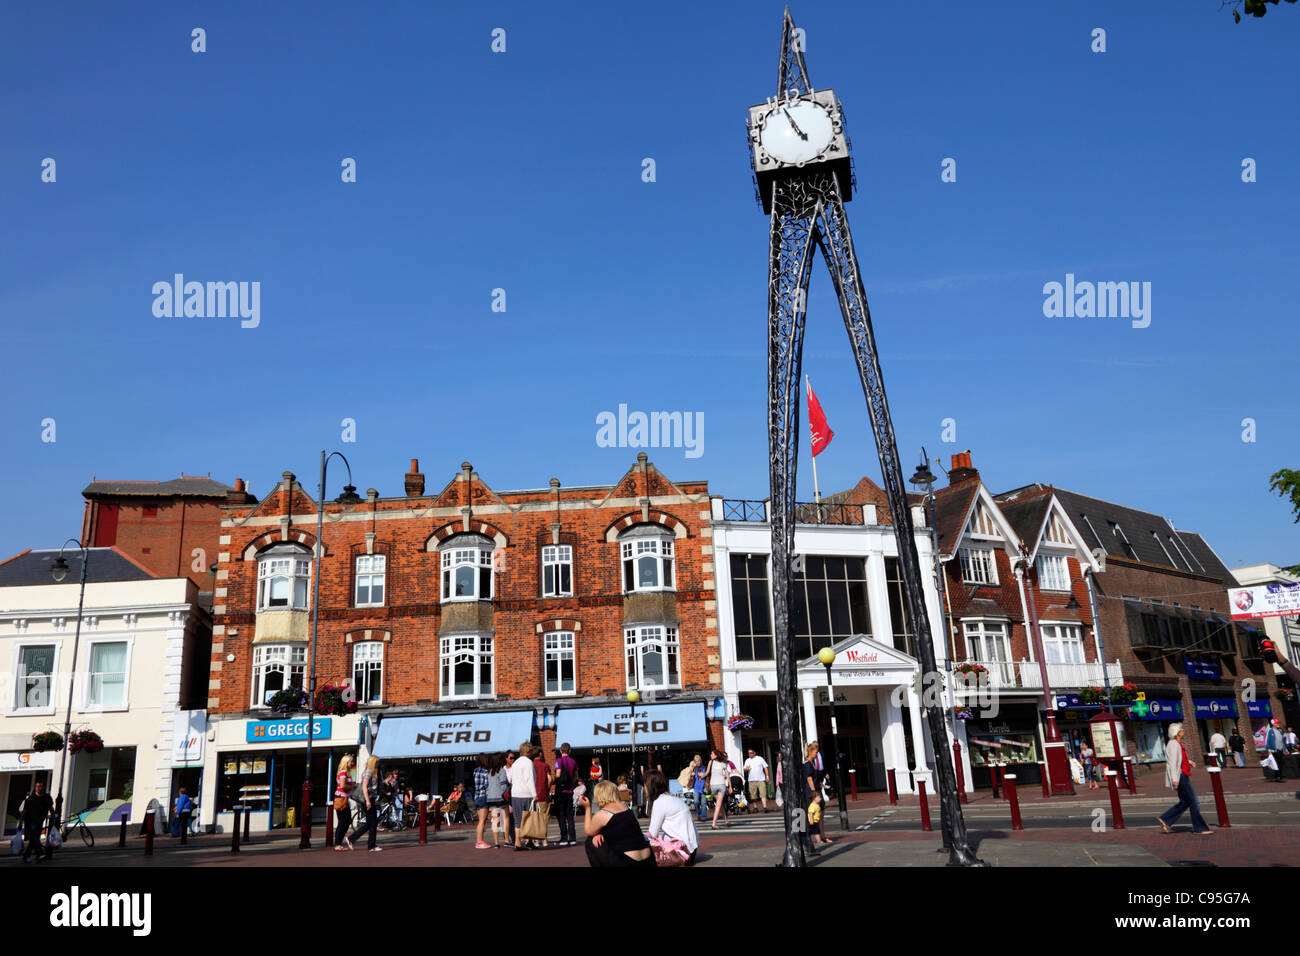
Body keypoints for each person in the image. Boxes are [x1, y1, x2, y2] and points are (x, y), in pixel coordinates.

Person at [580, 779, 654, 868]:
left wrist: (587, 808)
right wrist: (600, 833)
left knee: (590, 842)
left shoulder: (603, 814)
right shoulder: (625, 806)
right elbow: (619, 830)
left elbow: (588, 831)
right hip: (648, 859)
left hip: (628, 861)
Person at [1156, 723, 1212, 835]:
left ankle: (1166, 819)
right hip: (1180, 776)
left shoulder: (1177, 744)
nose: (1183, 731)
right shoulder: (1173, 744)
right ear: (1177, 732)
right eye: (1181, 729)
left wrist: (1189, 762)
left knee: (1185, 802)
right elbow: (1172, 763)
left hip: (1183, 774)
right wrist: (1175, 779)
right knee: (1194, 802)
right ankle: (1200, 828)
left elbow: (1180, 759)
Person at [646, 769, 700, 865]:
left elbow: (652, 833)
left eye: (645, 785)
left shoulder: (659, 802)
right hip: (690, 850)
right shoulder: (672, 798)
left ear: (650, 787)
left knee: (644, 845)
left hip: (680, 852)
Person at [348, 755, 383, 852]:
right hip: (367, 799)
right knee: (373, 823)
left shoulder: (374, 772)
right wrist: (367, 800)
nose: (378, 764)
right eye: (377, 762)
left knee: (370, 823)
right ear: (373, 762)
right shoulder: (368, 771)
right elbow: (364, 786)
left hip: (371, 799)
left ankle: (352, 839)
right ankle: (371, 846)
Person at [509, 741, 538, 850]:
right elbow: (530, 779)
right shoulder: (528, 762)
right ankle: (528, 840)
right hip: (526, 794)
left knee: (518, 819)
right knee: (528, 819)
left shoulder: (515, 763)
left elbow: (510, 779)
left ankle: (517, 842)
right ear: (529, 751)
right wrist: (534, 794)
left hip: (515, 794)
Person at [19, 779, 54, 863]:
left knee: (34, 840)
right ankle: (40, 853)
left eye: (40, 786)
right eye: (37, 786)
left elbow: (50, 807)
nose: (38, 788)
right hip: (30, 821)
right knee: (34, 836)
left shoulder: (47, 797)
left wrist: (54, 815)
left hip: (40, 821)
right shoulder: (31, 799)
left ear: (44, 787)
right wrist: (20, 822)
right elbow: (24, 811)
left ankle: (26, 856)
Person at [553, 743, 580, 847]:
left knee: (561, 815)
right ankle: (572, 838)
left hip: (561, 792)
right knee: (569, 815)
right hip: (569, 792)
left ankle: (564, 838)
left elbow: (558, 774)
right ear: (569, 751)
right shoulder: (573, 762)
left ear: (560, 750)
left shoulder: (558, 761)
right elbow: (576, 777)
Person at [334, 754, 357, 851]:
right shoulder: (343, 772)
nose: (352, 763)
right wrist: (353, 786)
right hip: (341, 799)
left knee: (345, 822)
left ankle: (338, 843)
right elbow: (343, 786)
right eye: (351, 761)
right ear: (346, 762)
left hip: (344, 799)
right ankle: (337, 844)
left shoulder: (345, 772)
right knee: (343, 822)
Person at [531, 745, 553, 848]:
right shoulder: (545, 765)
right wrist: (547, 789)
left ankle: (536, 839)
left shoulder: (530, 765)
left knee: (534, 817)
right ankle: (544, 839)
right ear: (540, 754)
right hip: (543, 794)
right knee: (543, 818)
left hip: (532, 796)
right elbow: (550, 780)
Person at [705, 748, 730, 829]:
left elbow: (727, 775)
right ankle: (721, 821)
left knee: (718, 804)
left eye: (712, 754)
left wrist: (730, 786)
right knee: (719, 804)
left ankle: (718, 822)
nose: (711, 755)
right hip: (716, 786)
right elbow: (707, 773)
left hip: (718, 785)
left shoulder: (720, 763)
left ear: (716, 755)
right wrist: (702, 775)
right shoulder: (713, 762)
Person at [473, 753, 493, 849]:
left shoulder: (475, 771)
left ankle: (479, 841)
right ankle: (480, 841)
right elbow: (487, 786)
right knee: (482, 821)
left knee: (480, 821)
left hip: (476, 796)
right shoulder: (486, 772)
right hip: (483, 796)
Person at [743, 748, 771, 812]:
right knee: (753, 795)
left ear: (754, 753)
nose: (749, 754)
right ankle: (755, 807)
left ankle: (764, 806)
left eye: (751, 753)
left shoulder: (760, 759)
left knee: (763, 793)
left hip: (761, 779)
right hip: (751, 780)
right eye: (748, 753)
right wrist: (746, 769)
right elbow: (744, 769)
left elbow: (765, 767)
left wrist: (767, 776)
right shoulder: (747, 760)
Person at [692, 756, 708, 821]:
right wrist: (691, 775)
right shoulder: (694, 768)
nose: (697, 762)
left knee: (703, 803)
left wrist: (703, 775)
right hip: (696, 787)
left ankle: (703, 817)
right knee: (696, 802)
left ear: (700, 761)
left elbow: (707, 775)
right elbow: (693, 777)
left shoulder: (704, 768)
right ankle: (698, 814)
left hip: (703, 787)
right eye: (696, 761)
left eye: (698, 761)